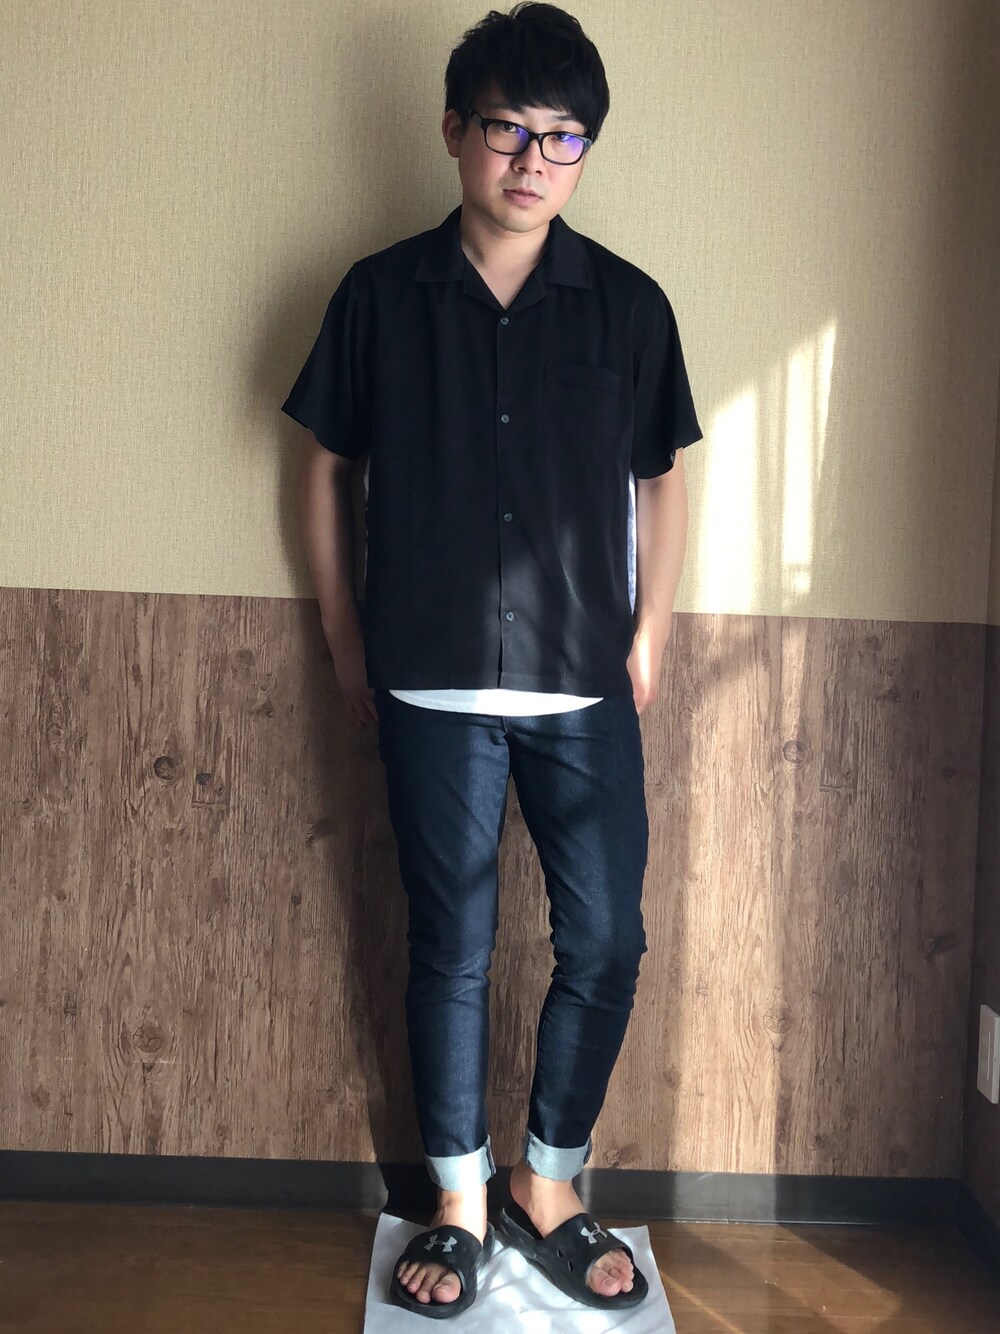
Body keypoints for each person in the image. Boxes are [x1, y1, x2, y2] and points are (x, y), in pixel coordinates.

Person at [282, 1, 701, 1317]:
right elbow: (323, 466)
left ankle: (549, 1183)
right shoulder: (377, 295)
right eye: (509, 128)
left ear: (585, 152)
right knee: (451, 948)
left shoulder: (629, 307)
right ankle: (459, 1200)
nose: (533, 158)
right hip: (428, 679)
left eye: (562, 136)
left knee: (608, 939)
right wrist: (345, 633)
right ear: (456, 131)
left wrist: (652, 629)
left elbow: (662, 477)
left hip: (584, 681)